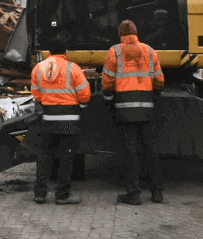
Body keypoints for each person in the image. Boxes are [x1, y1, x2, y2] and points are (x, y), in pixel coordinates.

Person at [101, 19, 165, 205]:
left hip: (125, 107)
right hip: (146, 105)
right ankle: (157, 192)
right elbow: (159, 79)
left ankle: (134, 194)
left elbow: (108, 80)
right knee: (150, 148)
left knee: (130, 151)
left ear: (121, 34)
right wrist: (155, 92)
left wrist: (107, 99)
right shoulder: (149, 50)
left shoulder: (115, 51)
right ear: (136, 33)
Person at [29, 31, 91, 205]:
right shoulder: (73, 68)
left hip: (48, 120)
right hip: (69, 122)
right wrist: (82, 106)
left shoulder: (39, 68)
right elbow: (85, 94)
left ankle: (40, 193)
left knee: (44, 156)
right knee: (67, 156)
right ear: (65, 52)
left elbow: (37, 94)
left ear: (49, 52)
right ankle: (62, 195)